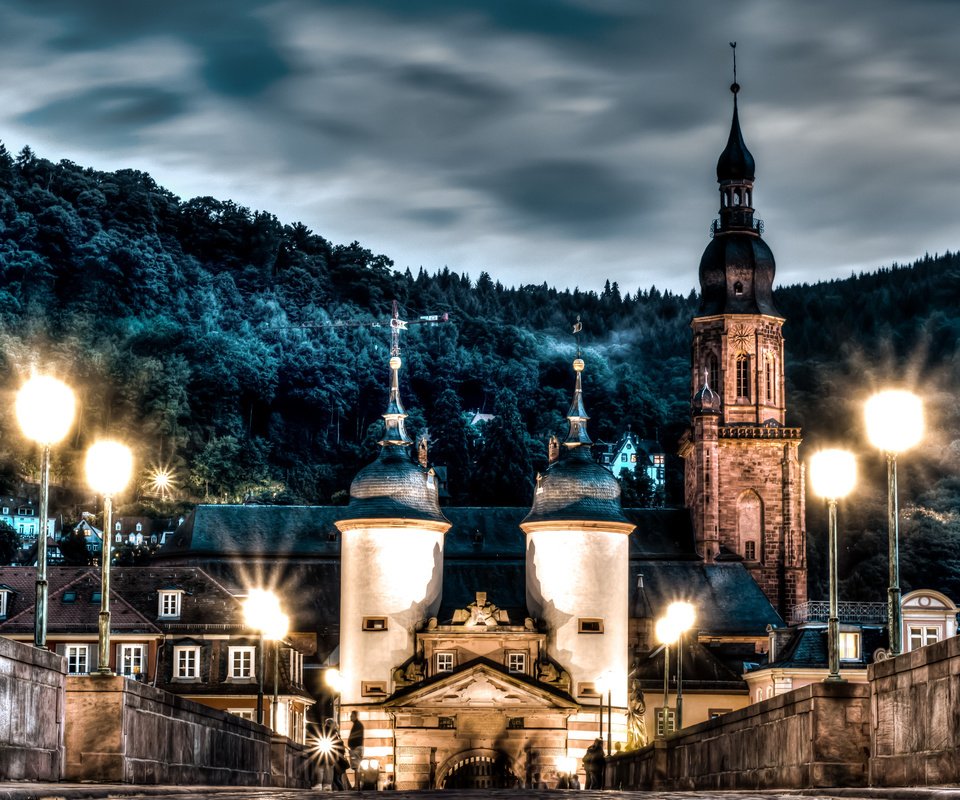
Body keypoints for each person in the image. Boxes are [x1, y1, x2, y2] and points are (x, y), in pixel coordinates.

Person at [347, 710, 365, 791]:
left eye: (351, 715)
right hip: (356, 748)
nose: (350, 717)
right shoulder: (357, 725)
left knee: (356, 767)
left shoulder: (357, 725)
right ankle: (357, 785)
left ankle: (357, 785)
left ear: (355, 716)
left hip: (356, 748)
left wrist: (352, 747)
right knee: (356, 767)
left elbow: (356, 738)